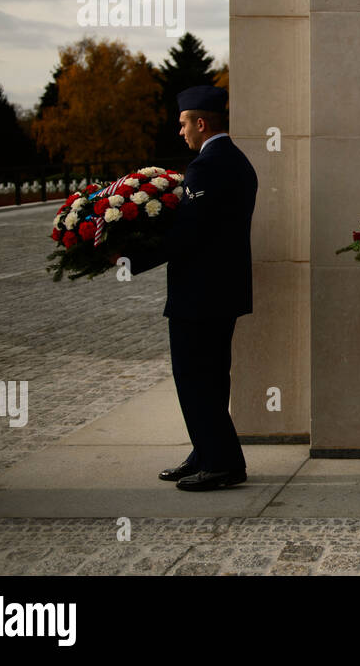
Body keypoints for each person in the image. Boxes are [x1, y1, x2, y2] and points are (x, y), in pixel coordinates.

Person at [127, 85, 258, 491]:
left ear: (201, 123)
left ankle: (221, 464)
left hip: (200, 295)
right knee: (213, 378)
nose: (180, 130)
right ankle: (207, 452)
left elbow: (189, 234)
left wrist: (128, 258)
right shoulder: (237, 161)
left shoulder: (207, 166)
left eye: (184, 123)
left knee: (195, 377)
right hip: (221, 291)